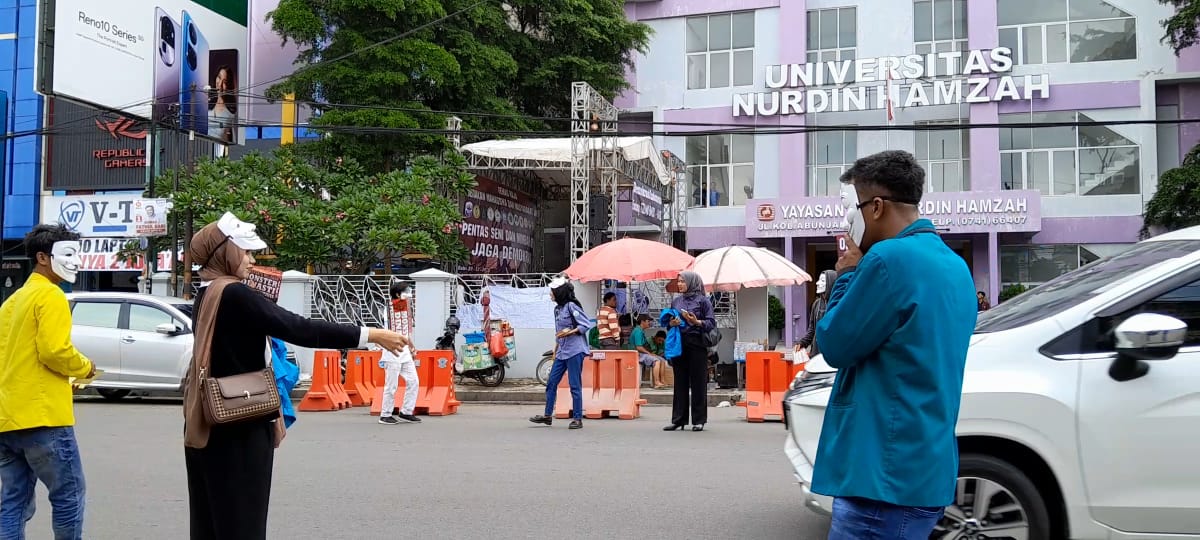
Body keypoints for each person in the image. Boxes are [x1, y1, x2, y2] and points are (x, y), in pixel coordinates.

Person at [183, 212, 410, 540]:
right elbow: (299, 328)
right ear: (224, 254)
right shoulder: (233, 294)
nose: (251, 259)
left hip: (210, 424)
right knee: (242, 523)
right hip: (239, 426)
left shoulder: (206, 293)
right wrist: (370, 335)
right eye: (244, 252)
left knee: (213, 522)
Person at [813, 151, 977, 539]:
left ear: (876, 207)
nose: (849, 219)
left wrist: (846, 274)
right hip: (924, 465)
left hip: (881, 476)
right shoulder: (954, 265)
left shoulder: (887, 259)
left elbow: (834, 343)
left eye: (853, 206)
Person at [0, 224, 95, 539]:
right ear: (42, 257)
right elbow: (55, 351)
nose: (76, 262)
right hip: (44, 418)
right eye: (68, 254)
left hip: (9, 418)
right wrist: (85, 368)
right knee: (69, 496)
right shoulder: (51, 295)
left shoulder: (12, 302)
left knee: (13, 502)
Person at [529, 278, 591, 430]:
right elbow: (559, 331)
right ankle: (547, 416)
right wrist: (556, 347)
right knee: (551, 383)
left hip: (575, 350)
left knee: (574, 385)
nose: (550, 294)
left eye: (552, 292)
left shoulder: (572, 306)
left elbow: (585, 324)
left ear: (559, 293)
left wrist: (570, 332)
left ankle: (577, 419)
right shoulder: (557, 310)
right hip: (562, 351)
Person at [663, 271, 716, 432]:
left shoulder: (703, 301)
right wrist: (672, 322)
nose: (679, 284)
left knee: (698, 383)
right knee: (680, 382)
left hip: (697, 344)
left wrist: (696, 321)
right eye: (678, 281)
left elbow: (711, 323)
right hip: (680, 343)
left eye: (682, 282)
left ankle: (699, 420)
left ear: (692, 283)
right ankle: (679, 419)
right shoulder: (676, 301)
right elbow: (668, 324)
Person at [377, 281, 421, 425]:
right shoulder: (389, 310)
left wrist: (412, 348)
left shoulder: (407, 309)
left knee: (413, 381)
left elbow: (406, 333)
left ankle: (406, 411)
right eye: (406, 291)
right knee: (391, 385)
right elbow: (389, 331)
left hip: (405, 353)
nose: (409, 293)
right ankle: (385, 414)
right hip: (392, 352)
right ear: (397, 294)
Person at [797, 269, 837, 358]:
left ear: (831, 283)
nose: (817, 283)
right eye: (819, 280)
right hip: (815, 354)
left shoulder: (837, 304)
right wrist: (803, 343)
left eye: (822, 281)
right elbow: (812, 328)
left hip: (832, 355)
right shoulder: (816, 304)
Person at [630, 314, 667, 388]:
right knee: (657, 360)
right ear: (642, 322)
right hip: (637, 354)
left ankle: (662, 381)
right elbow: (639, 347)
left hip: (642, 353)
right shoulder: (638, 331)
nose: (649, 323)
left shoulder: (641, 331)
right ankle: (656, 383)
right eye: (648, 321)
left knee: (662, 360)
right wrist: (650, 353)